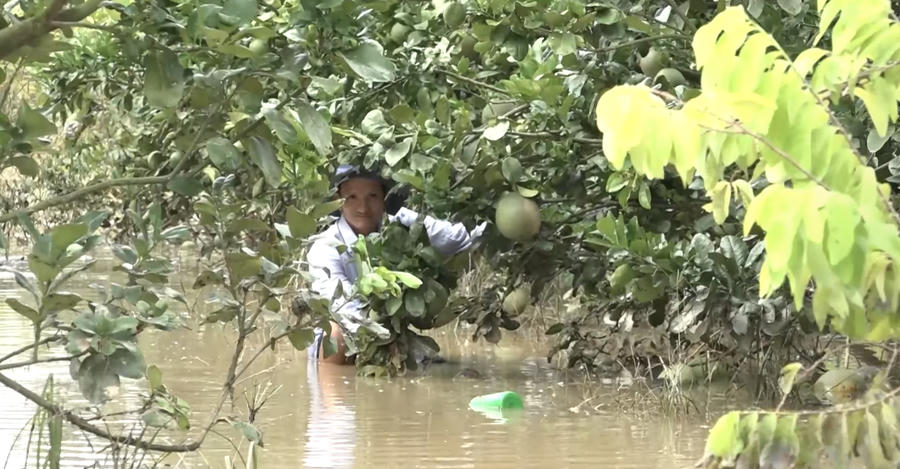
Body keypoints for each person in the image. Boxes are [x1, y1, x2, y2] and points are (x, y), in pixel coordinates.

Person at [305, 164, 486, 365]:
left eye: (372, 196)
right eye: (352, 197)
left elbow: (458, 239)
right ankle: (334, 391)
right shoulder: (324, 247)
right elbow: (343, 307)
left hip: (397, 341)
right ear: (337, 201)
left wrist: (491, 208)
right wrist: (383, 335)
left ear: (384, 199)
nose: (363, 208)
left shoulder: (401, 227)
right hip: (351, 339)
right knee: (335, 333)